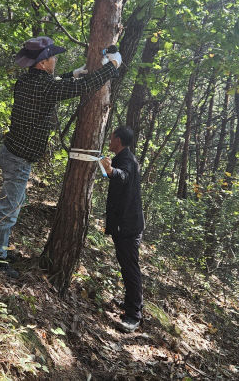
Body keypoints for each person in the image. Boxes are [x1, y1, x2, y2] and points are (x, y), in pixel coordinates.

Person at [0, 36, 123, 278]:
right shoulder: (44, 86)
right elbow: (79, 88)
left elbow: (54, 85)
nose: (55, 60)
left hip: (13, 153)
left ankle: (0, 249)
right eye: (52, 57)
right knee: (9, 209)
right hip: (18, 158)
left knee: (13, 203)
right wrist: (111, 66)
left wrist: (73, 73)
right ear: (42, 63)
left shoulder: (27, 81)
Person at [100, 126, 145, 333]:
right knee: (126, 265)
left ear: (118, 139)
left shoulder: (126, 160)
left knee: (130, 267)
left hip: (129, 226)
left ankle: (134, 314)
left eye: (111, 137)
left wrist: (111, 171)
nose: (109, 139)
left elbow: (123, 176)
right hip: (126, 223)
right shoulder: (124, 156)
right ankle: (131, 304)